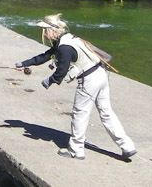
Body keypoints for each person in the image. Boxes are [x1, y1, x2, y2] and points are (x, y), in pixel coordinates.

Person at [13, 13, 137, 161]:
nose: (44, 35)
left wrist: (49, 81)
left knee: (80, 113)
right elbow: (47, 56)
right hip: (101, 74)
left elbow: (61, 71)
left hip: (89, 80)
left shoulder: (64, 47)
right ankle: (127, 146)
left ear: (53, 31)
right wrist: (24, 64)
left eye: (45, 31)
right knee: (106, 112)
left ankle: (76, 150)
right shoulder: (68, 38)